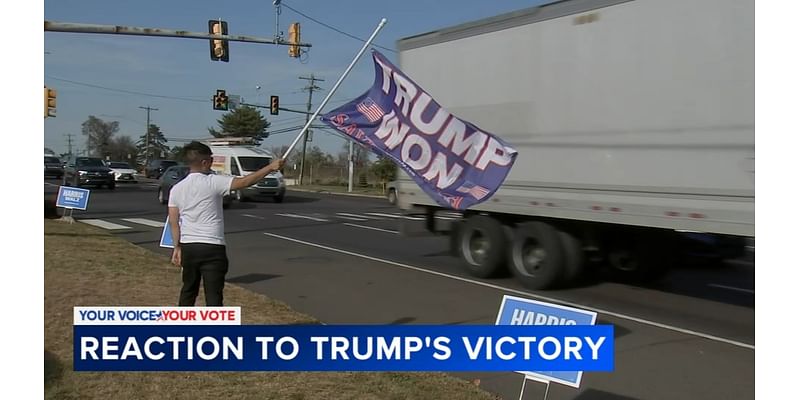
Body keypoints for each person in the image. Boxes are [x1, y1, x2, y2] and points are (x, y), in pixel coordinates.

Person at [167, 141, 284, 306]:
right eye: (211, 159)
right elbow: (245, 182)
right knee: (214, 295)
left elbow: (173, 221)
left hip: (189, 247)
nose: (212, 162)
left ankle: (181, 328)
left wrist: (176, 247)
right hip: (212, 247)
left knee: (188, 290)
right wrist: (270, 168)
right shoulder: (214, 181)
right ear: (204, 162)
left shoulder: (176, 189)